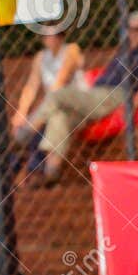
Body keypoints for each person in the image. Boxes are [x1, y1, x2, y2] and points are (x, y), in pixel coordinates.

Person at [36, 11, 138, 185]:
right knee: (59, 117)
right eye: (131, 29)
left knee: (58, 94)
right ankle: (51, 172)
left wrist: (134, 104)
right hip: (97, 95)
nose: (135, 33)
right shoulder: (124, 51)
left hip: (116, 94)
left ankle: (29, 128)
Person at [10, 22, 85, 177]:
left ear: (61, 37)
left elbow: (59, 84)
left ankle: (32, 162)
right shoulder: (40, 57)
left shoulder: (71, 50)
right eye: (46, 36)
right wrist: (21, 112)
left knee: (46, 118)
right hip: (50, 106)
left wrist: (38, 113)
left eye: (54, 35)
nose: (49, 39)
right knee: (35, 119)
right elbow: (31, 86)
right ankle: (24, 164)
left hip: (74, 103)